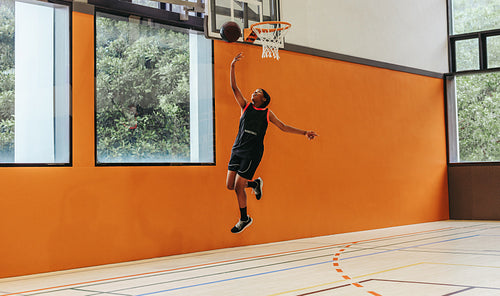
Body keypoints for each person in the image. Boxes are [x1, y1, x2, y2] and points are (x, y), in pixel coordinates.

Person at [227, 52, 318, 233]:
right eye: (254, 91)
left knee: (238, 187)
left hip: (252, 153)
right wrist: (232, 67)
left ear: (264, 99)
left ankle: (244, 218)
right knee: (230, 185)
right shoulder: (245, 106)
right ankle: (254, 184)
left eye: (258, 92)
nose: (254, 92)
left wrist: (304, 132)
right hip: (237, 150)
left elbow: (284, 127)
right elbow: (234, 89)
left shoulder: (267, 113)